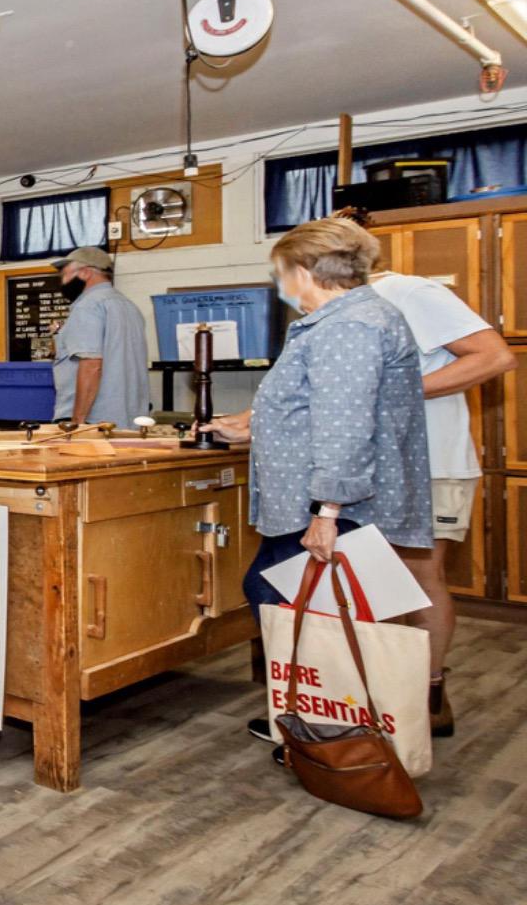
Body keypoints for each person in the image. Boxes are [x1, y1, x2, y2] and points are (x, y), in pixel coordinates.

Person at [198, 217, 431, 747]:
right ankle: (324, 716)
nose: (282, 288)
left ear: (304, 271)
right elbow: (317, 409)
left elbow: (346, 423)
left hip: (335, 505)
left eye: (282, 274)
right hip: (328, 499)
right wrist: (255, 429)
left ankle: (332, 731)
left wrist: (327, 512)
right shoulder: (353, 318)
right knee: (305, 604)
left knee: (307, 608)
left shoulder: (348, 326)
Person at [366, 248, 513, 735]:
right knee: (374, 585)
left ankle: (429, 695)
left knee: (422, 578)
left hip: (431, 463)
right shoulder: (347, 305)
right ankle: (385, 694)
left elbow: (495, 356)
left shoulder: (411, 291)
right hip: (377, 467)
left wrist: (398, 388)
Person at [50, 246, 151, 427]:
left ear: (85, 272)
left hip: (94, 421)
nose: (63, 282)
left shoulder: (88, 306)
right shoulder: (129, 307)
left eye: (65, 275)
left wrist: (77, 422)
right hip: (130, 420)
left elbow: (91, 366)